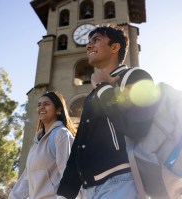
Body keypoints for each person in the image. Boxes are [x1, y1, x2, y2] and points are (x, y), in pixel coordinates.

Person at [57, 24, 160, 199]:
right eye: (88, 42)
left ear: (114, 47)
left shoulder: (136, 77)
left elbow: (137, 128)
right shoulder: (92, 96)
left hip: (122, 182)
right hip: (89, 190)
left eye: (96, 40)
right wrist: (64, 194)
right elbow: (79, 146)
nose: (88, 46)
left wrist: (104, 88)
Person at [9, 91, 76, 199]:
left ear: (58, 109)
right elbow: (27, 177)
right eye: (39, 105)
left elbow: (69, 174)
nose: (41, 107)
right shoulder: (37, 141)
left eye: (46, 104)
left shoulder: (61, 134)